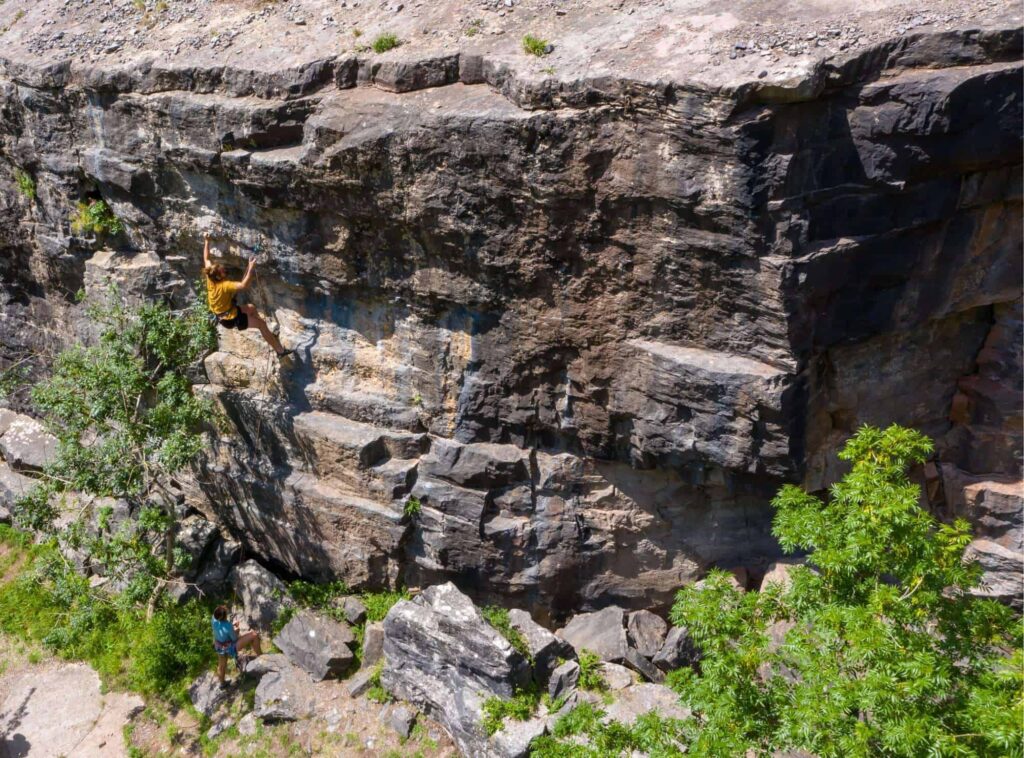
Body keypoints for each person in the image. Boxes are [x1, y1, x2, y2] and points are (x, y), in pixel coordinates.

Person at [202, 232, 294, 359]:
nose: (224, 270)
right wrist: (251, 268)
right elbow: (244, 285)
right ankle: (280, 351)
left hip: (226, 313)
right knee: (261, 324)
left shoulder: (210, 276)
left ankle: (264, 330)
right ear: (219, 276)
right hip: (231, 319)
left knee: (251, 307)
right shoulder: (225, 285)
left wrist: (206, 240)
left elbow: (206, 259)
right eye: (223, 271)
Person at [212, 605, 262, 684]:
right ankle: (262, 657)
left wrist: (231, 626)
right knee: (254, 635)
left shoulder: (214, 619)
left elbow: (222, 627)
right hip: (229, 648)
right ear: (224, 616)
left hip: (219, 646)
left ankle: (222, 683)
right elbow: (235, 639)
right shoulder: (227, 625)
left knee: (222, 665)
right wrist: (236, 629)